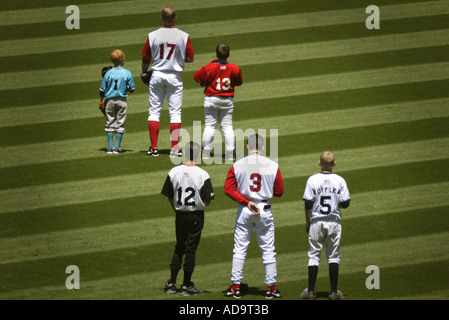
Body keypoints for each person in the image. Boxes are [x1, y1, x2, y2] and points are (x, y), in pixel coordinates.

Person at [224, 134, 284, 299]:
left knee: (240, 249)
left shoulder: (237, 165)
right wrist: (264, 191)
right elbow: (279, 192)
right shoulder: (272, 165)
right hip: (264, 209)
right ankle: (271, 288)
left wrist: (246, 200)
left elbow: (228, 189)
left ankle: (235, 286)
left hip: (245, 209)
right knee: (268, 250)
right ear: (262, 147)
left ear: (247, 146)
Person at [160, 141, 215, 295]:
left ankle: (171, 283)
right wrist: (199, 207)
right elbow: (207, 200)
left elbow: (169, 196)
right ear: (198, 155)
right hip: (196, 215)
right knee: (190, 248)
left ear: (184, 154)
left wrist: (177, 209)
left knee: (179, 247)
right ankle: (186, 285)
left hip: (180, 215)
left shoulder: (174, 171)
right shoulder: (203, 174)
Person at [141, 5, 195, 158]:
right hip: (174, 76)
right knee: (175, 114)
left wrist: (144, 71)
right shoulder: (184, 36)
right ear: (175, 18)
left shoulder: (152, 35)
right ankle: (174, 148)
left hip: (157, 75)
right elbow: (190, 58)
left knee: (154, 112)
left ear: (162, 18)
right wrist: (178, 58)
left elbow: (146, 57)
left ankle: (154, 148)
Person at [299, 151, 350, 300]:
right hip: (333, 222)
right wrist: (336, 204)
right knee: (333, 256)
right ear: (334, 164)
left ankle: (310, 292)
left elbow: (308, 203)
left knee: (314, 255)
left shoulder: (312, 180)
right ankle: (334, 292)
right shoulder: (340, 180)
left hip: (316, 222)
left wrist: (308, 222)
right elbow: (346, 203)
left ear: (319, 163)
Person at [193, 43, 242, 161]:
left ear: (216, 54)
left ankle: (206, 152)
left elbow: (196, 77)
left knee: (210, 126)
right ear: (228, 54)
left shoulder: (210, 67)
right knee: (227, 127)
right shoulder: (235, 68)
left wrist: (206, 80)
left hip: (212, 100)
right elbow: (239, 82)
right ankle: (231, 153)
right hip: (227, 101)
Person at [99, 49, 135, 154]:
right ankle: (117, 148)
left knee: (110, 122)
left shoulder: (108, 73)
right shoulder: (127, 73)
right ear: (122, 59)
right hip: (121, 101)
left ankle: (110, 147)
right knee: (120, 123)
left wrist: (100, 101)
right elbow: (132, 88)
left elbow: (102, 90)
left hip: (109, 101)